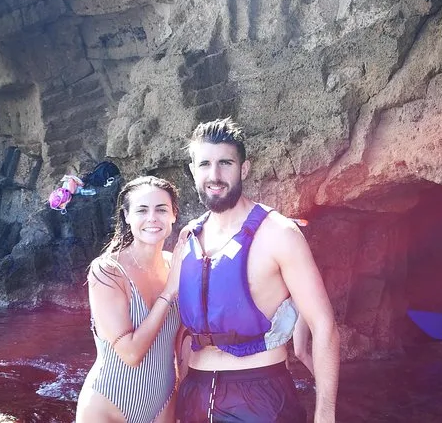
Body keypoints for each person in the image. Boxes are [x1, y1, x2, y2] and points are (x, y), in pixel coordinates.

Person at [173, 118, 340, 422]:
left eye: (225, 163)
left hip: (259, 397)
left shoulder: (279, 233)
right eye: (205, 164)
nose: (214, 175)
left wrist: (325, 415)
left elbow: (323, 324)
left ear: (244, 169)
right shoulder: (189, 237)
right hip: (194, 392)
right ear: (193, 170)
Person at [76, 176, 182, 423]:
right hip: (108, 406)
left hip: (163, 403)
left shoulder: (176, 265)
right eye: (142, 210)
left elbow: (182, 343)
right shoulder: (107, 270)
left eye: (161, 209)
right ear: (126, 216)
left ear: (173, 215)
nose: (152, 218)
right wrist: (168, 293)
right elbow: (131, 353)